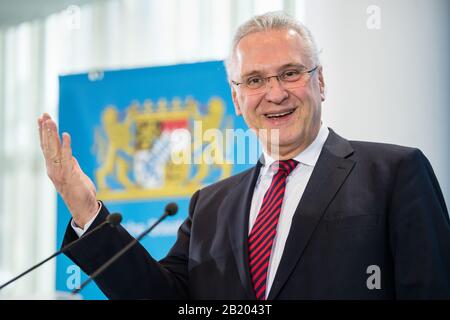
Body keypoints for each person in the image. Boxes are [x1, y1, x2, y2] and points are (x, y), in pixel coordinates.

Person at [38, 11, 450, 299]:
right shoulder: (210, 205)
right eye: (254, 80)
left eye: (290, 73)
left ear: (320, 82)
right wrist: (87, 211)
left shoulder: (395, 174)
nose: (274, 93)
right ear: (236, 99)